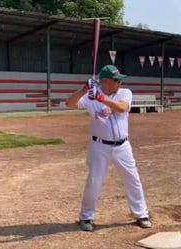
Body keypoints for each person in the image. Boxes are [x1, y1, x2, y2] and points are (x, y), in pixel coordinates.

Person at [65, 65, 151, 231]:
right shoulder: (91, 96)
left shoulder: (125, 93)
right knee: (94, 181)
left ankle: (141, 214)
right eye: (116, 80)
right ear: (105, 81)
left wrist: (101, 98)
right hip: (99, 145)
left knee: (133, 179)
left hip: (122, 146)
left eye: (119, 80)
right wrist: (83, 90)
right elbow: (69, 103)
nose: (119, 82)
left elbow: (122, 108)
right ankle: (86, 217)